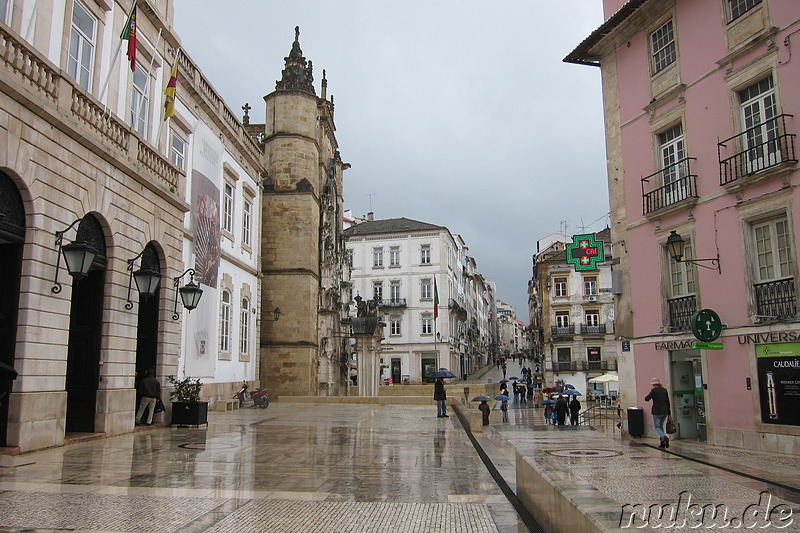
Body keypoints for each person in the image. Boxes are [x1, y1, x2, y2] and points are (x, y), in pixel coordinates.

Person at [645, 377, 671, 448]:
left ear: (654, 384)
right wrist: (669, 411)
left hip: (657, 411)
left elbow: (647, 398)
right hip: (665, 411)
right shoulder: (664, 390)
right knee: (661, 426)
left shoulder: (654, 391)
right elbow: (667, 401)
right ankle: (662, 442)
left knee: (657, 427)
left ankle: (664, 437)